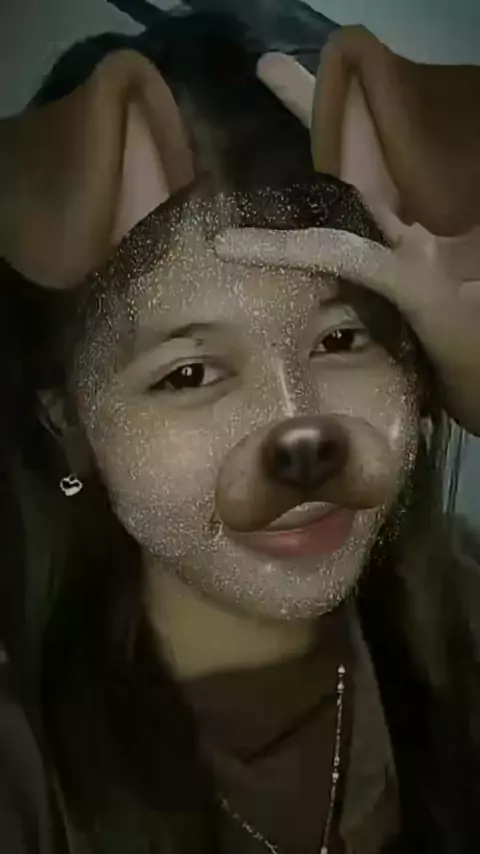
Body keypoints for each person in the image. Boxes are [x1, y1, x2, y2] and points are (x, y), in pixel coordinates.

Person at [1, 7, 480, 854]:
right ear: (67, 420)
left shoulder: (463, 628)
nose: (301, 432)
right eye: (189, 374)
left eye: (342, 339)